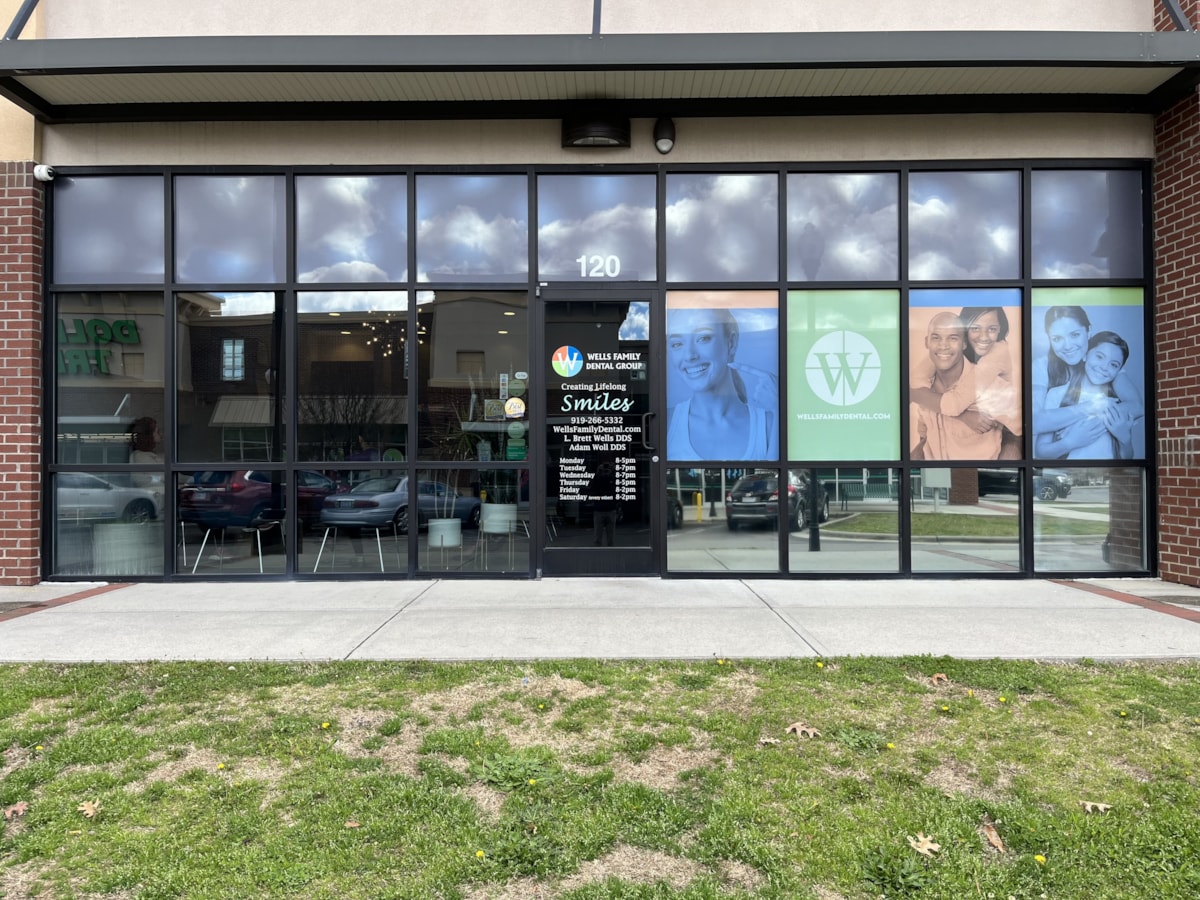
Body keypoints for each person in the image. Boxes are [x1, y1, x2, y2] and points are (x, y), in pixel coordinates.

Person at [666, 307, 777, 460]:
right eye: (677, 344)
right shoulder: (666, 422)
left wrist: (779, 409)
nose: (689, 355)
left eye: (703, 338)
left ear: (731, 343)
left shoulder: (769, 425)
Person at [910, 306, 1021, 458]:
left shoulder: (991, 382)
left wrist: (1009, 459)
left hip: (980, 470)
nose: (943, 345)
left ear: (963, 343)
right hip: (937, 472)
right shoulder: (926, 385)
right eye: (936, 338)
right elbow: (925, 436)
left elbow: (1026, 427)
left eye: (953, 338)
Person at [1032, 306, 1143, 457]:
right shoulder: (1043, 369)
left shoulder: (1106, 362)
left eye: (1075, 334)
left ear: (1088, 330)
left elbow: (1136, 407)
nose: (1068, 346)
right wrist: (1090, 408)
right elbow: (1034, 423)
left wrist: (1091, 422)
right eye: (1057, 338)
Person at [586, 461, 618, 546]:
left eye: (607, 470)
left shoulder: (611, 479)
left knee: (603, 538)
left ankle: (601, 552)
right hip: (604, 509)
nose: (605, 472)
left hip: (603, 509)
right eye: (605, 470)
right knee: (606, 538)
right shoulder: (598, 479)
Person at [128, 416, 164, 491]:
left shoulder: (148, 454)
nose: (161, 434)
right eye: (157, 432)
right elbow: (164, 476)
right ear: (148, 435)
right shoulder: (141, 456)